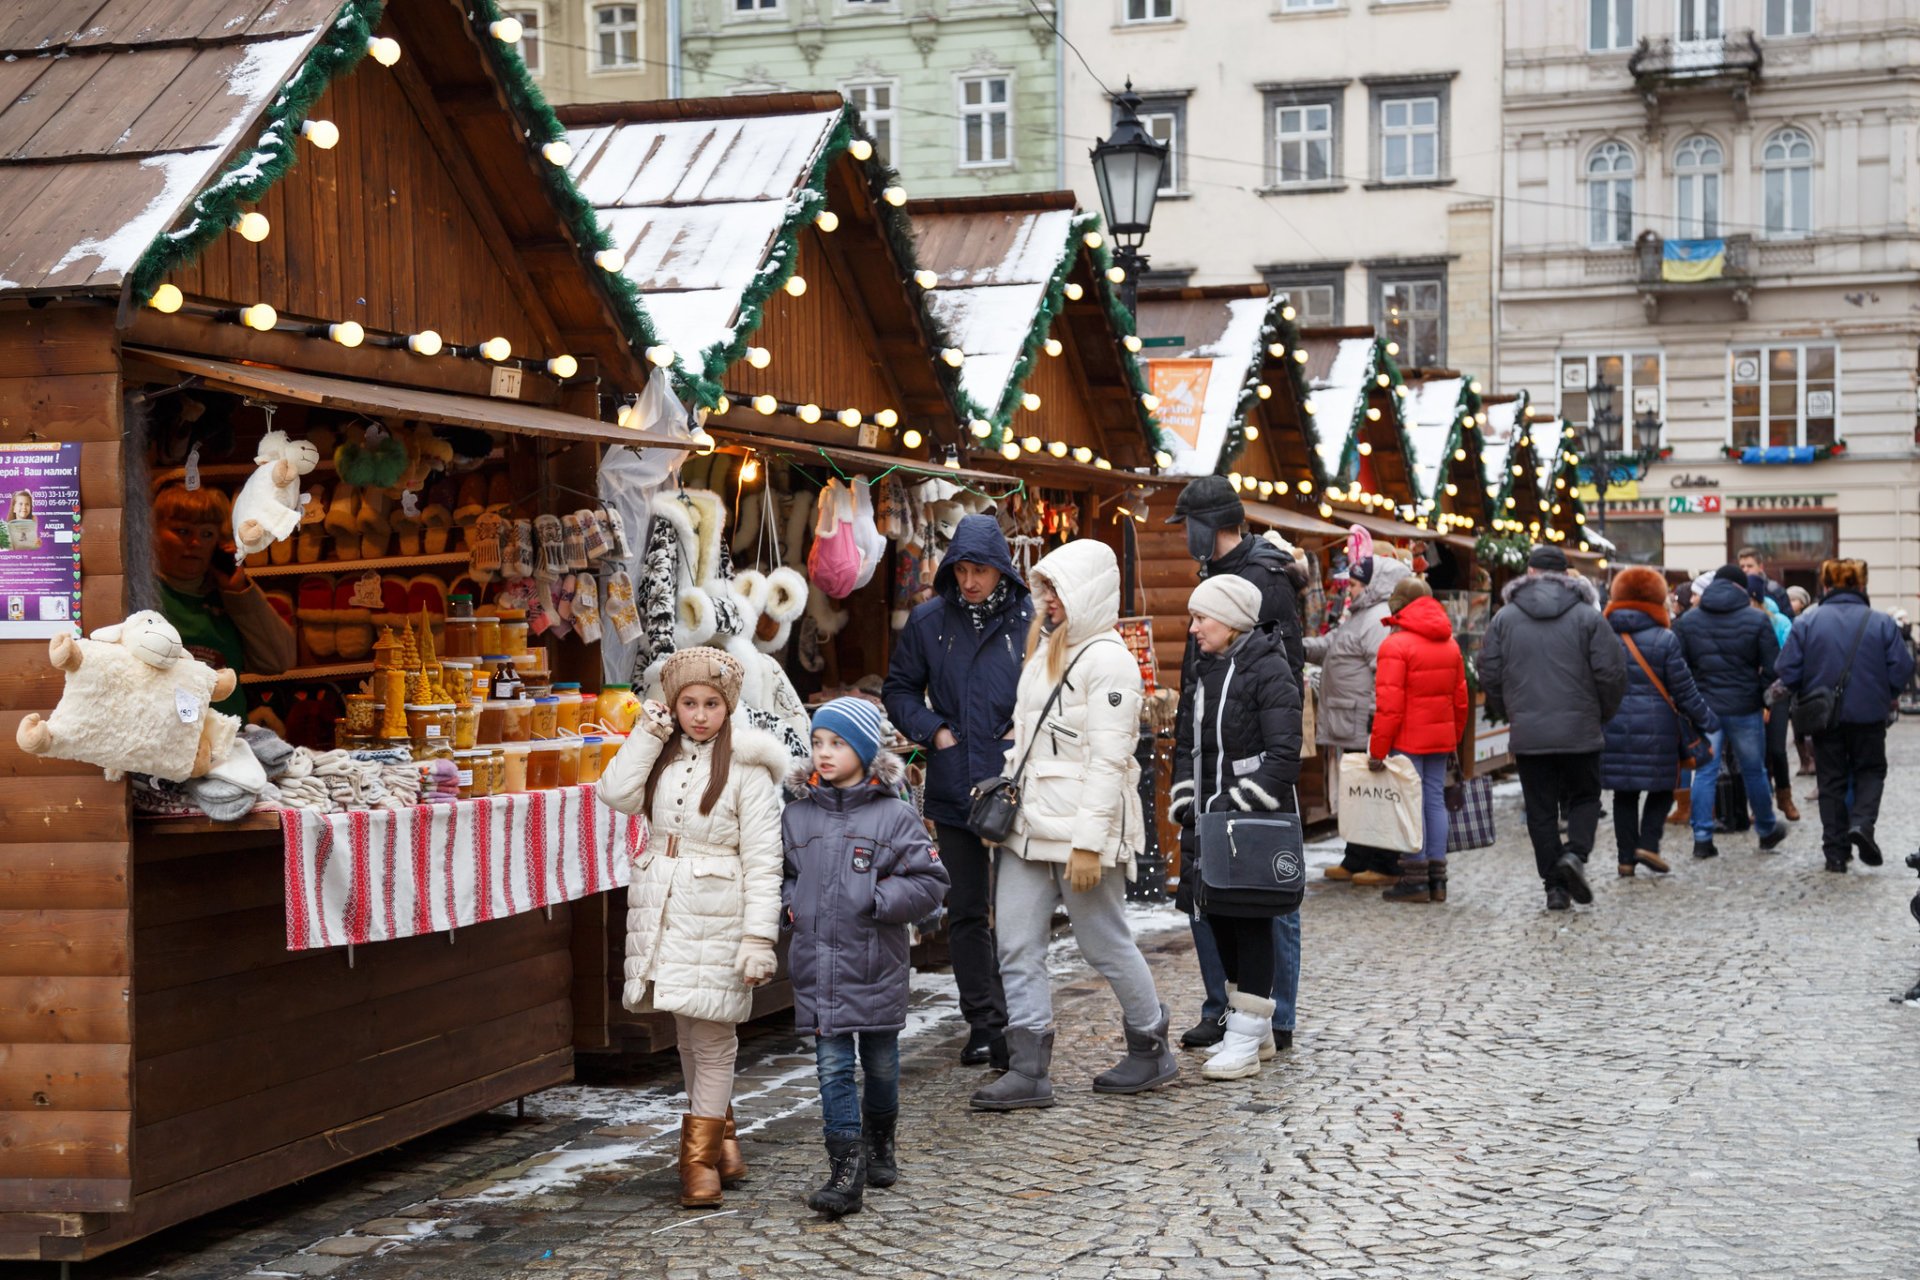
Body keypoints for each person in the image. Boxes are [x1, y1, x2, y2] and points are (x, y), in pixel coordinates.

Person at [970, 539, 1175, 1110]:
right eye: (1045, 589)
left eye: (1057, 588)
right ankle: (1029, 1068)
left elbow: (1110, 763)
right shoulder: (1047, 651)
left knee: (1103, 943)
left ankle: (1150, 1045)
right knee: (1014, 943)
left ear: (1083, 591)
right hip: (1028, 828)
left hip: (1080, 833)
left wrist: (1087, 846)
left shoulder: (1109, 660)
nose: (1048, 600)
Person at [597, 648, 788, 1209]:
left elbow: (764, 860)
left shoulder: (749, 769)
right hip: (664, 907)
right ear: (673, 704)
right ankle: (722, 1141)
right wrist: (646, 735)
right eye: (688, 703)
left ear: (728, 707)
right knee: (687, 1030)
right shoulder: (662, 754)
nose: (700, 715)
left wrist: (759, 938)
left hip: (718, 909)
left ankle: (698, 1160)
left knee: (713, 1034)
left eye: (711, 704)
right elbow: (614, 793)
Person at [781, 698, 950, 1218]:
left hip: (875, 964)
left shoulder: (894, 816)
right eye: (817, 743)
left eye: (836, 743)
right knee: (832, 1067)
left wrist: (878, 901)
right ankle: (844, 1169)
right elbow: (784, 874)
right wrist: (790, 907)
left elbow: (931, 882)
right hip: (817, 966)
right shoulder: (797, 814)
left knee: (879, 1065)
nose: (824, 754)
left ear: (863, 749)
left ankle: (880, 1141)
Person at [881, 513, 1027, 1071]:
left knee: (1017, 911)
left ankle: (1022, 1022)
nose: (970, 581)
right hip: (955, 779)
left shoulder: (1027, 620)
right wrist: (933, 730)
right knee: (966, 908)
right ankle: (985, 1024)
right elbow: (898, 688)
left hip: (1016, 782)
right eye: (962, 570)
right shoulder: (928, 621)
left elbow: (1051, 689)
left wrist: (1025, 724)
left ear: (1001, 572)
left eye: (981, 571)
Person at [1165, 474, 1305, 1055]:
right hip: (1209, 760)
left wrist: (1252, 775)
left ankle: (1273, 1018)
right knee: (1211, 893)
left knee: (1263, 899)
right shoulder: (1215, 579)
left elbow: (1279, 673)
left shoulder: (1263, 579)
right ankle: (1223, 1007)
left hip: (1250, 769)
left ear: (1210, 525)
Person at [1476, 544, 1627, 911]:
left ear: (1528, 572)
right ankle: (1575, 854)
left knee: (1541, 810)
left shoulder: (1505, 617)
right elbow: (1612, 673)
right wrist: (1599, 713)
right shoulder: (1588, 617)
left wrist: (1510, 709)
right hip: (1581, 727)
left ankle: (1554, 888)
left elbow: (1489, 671)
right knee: (1586, 797)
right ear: (1566, 575)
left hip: (1530, 732)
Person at [1775, 559, 1915, 872]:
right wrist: (1883, 693)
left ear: (1825, 586)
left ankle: (1835, 853)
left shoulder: (1808, 622)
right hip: (1869, 714)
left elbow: (1787, 670)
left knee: (1831, 781)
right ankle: (1863, 824)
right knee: (1870, 771)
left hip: (1824, 716)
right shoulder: (1881, 622)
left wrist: (1808, 688)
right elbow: (1903, 668)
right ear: (1862, 586)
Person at [1304, 542, 1413, 885]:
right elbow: (1331, 645)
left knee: (1374, 792)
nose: (1348, 590)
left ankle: (1384, 863)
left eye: (1353, 584)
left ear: (1372, 584)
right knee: (1359, 790)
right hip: (1350, 717)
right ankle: (1357, 856)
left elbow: (1385, 673)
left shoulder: (1377, 619)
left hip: (1363, 718)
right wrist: (1296, 645)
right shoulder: (1360, 615)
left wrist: (1376, 718)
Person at [1600, 566, 1719, 880]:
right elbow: (1684, 689)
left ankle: (1625, 860)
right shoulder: (1664, 639)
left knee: (1624, 794)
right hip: (1659, 729)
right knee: (1664, 786)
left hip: (1612, 725)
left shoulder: (1603, 636)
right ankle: (1648, 844)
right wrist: (1706, 718)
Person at [1673, 564, 1788, 860]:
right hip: (1744, 705)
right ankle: (1765, 829)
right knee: (1754, 770)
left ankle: (1702, 838)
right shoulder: (1757, 619)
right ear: (1741, 588)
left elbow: (1678, 666)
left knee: (1706, 771)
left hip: (1704, 705)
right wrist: (1761, 698)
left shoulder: (1688, 621)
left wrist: (1690, 701)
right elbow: (1773, 668)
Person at [151, 483, 295, 716]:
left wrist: (239, 593)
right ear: (154, 534)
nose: (195, 543)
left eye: (207, 534)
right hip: (166, 739)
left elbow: (278, 661)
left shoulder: (230, 595)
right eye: (183, 531)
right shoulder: (142, 592)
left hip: (226, 739)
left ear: (218, 543)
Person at [1366, 577, 1469, 904]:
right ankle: (1438, 879)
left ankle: (1414, 878)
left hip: (1406, 739)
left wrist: (1377, 750)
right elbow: (1461, 700)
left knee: (1409, 805)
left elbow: (1389, 706)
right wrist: (1453, 738)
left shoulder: (1395, 645)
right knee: (1434, 800)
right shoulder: (1450, 643)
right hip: (1440, 738)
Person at [1751, 575, 1800, 822]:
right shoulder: (1742, 620)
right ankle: (1760, 802)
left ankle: (1784, 796)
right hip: (1750, 694)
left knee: (1777, 749)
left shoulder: (1779, 621)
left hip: (1777, 692)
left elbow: (1787, 659)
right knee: (1754, 753)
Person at [1736, 545, 1794, 617]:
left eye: (1749, 566)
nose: (1745, 570)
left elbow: (1788, 619)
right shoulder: (1735, 590)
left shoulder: (1775, 590)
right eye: (1742, 566)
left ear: (1760, 567)